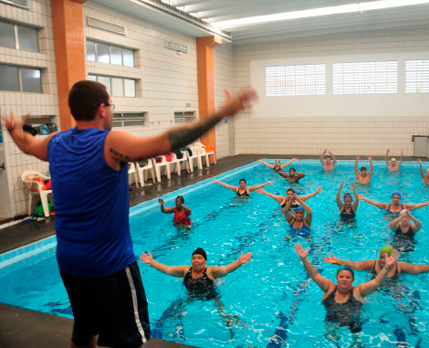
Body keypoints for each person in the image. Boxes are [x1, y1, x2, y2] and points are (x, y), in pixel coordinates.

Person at [2, 80, 256, 348]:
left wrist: (14, 129)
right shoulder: (110, 143)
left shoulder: (55, 143)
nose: (111, 111)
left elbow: (26, 143)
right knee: (127, 341)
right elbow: (166, 142)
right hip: (110, 266)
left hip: (70, 263)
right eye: (111, 106)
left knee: (84, 332)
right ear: (102, 109)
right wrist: (220, 114)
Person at [140, 248, 252, 338]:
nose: (196, 260)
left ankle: (232, 330)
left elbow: (225, 270)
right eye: (194, 258)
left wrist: (239, 262)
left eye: (199, 258)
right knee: (177, 313)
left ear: (205, 261)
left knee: (223, 314)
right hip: (191, 297)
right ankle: (177, 333)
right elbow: (168, 270)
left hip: (212, 297)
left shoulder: (210, 271)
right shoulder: (185, 270)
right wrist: (152, 262)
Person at [295, 243, 398, 334]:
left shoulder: (358, 291)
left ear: (352, 280)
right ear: (336, 278)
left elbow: (376, 282)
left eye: (347, 277)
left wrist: (387, 267)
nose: (344, 279)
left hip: (355, 327)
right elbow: (315, 275)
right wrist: (304, 259)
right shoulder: (330, 288)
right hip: (331, 325)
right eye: (341, 277)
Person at [324, 245, 429, 280]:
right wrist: (338, 261)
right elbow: (355, 265)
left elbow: (417, 269)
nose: (383, 260)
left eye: (386, 257)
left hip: (394, 288)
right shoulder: (372, 264)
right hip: (376, 286)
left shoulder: (400, 266)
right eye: (381, 257)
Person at [359, 191, 429, 218]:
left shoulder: (404, 206)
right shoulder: (386, 206)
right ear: (391, 198)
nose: (396, 199)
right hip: (389, 222)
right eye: (394, 198)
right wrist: (364, 198)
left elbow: (416, 206)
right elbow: (375, 203)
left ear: (400, 199)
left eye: (397, 198)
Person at [256, 187, 322, 208]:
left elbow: (308, 196)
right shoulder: (283, 199)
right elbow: (272, 195)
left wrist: (316, 193)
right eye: (288, 194)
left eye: (291, 195)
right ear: (286, 194)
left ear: (294, 195)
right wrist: (263, 192)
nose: (289, 196)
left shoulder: (298, 200)